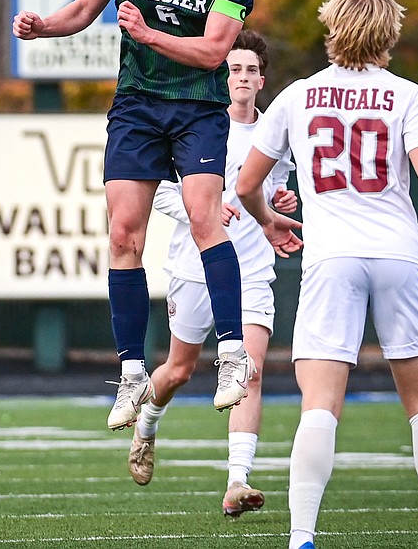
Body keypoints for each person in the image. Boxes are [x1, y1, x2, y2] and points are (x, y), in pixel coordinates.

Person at [13, 0, 257, 431]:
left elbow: (215, 51)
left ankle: (232, 354)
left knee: (205, 219)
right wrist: (44, 27)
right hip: (137, 105)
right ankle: (129, 373)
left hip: (198, 106)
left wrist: (146, 31)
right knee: (123, 233)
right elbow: (81, 9)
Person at [235, 0, 418, 549]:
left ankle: (302, 537)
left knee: (319, 403)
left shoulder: (296, 96)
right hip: (400, 255)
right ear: (390, 32)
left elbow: (246, 183)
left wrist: (268, 221)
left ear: (330, 26)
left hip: (331, 255)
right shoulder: (408, 95)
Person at [127, 30, 298, 517]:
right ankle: (147, 425)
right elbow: (156, 192)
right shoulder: (195, 125)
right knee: (179, 370)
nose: (241, 78)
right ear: (220, 74)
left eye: (249, 70)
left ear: (261, 80)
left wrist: (282, 203)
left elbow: (276, 193)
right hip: (195, 269)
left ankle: (238, 481)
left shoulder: (276, 135)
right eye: (233, 68)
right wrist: (203, 210)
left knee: (251, 370)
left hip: (251, 270)